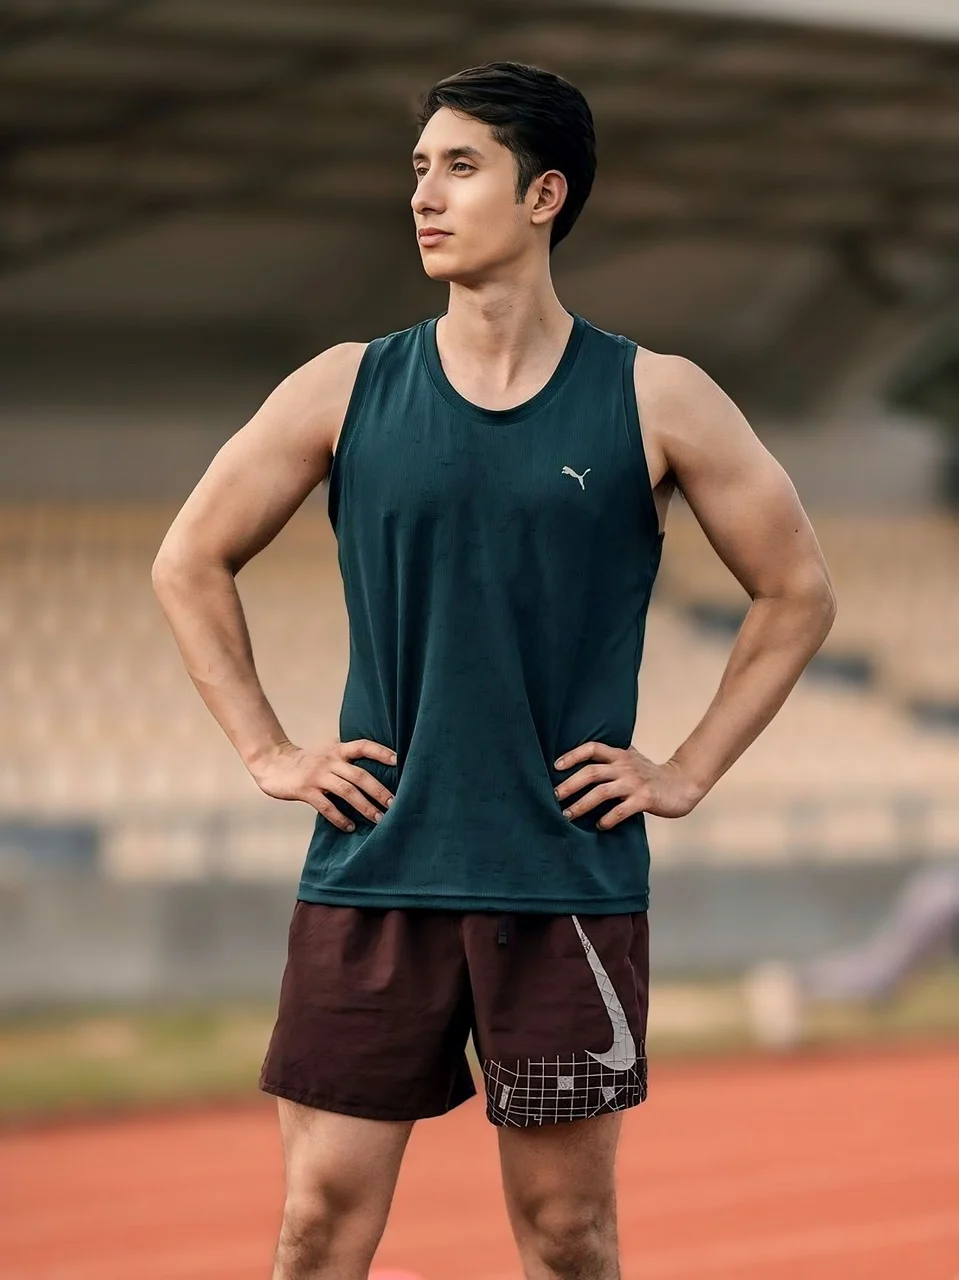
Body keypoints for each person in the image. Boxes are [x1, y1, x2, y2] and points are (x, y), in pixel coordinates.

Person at [152, 61, 836, 1280]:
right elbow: (188, 559)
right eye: (419, 167)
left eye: (460, 166)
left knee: (567, 1234)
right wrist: (268, 750)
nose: (423, 194)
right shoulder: (346, 383)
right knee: (316, 1221)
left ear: (543, 194)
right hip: (375, 868)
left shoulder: (655, 395)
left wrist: (684, 769)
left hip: (561, 878)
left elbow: (797, 591)